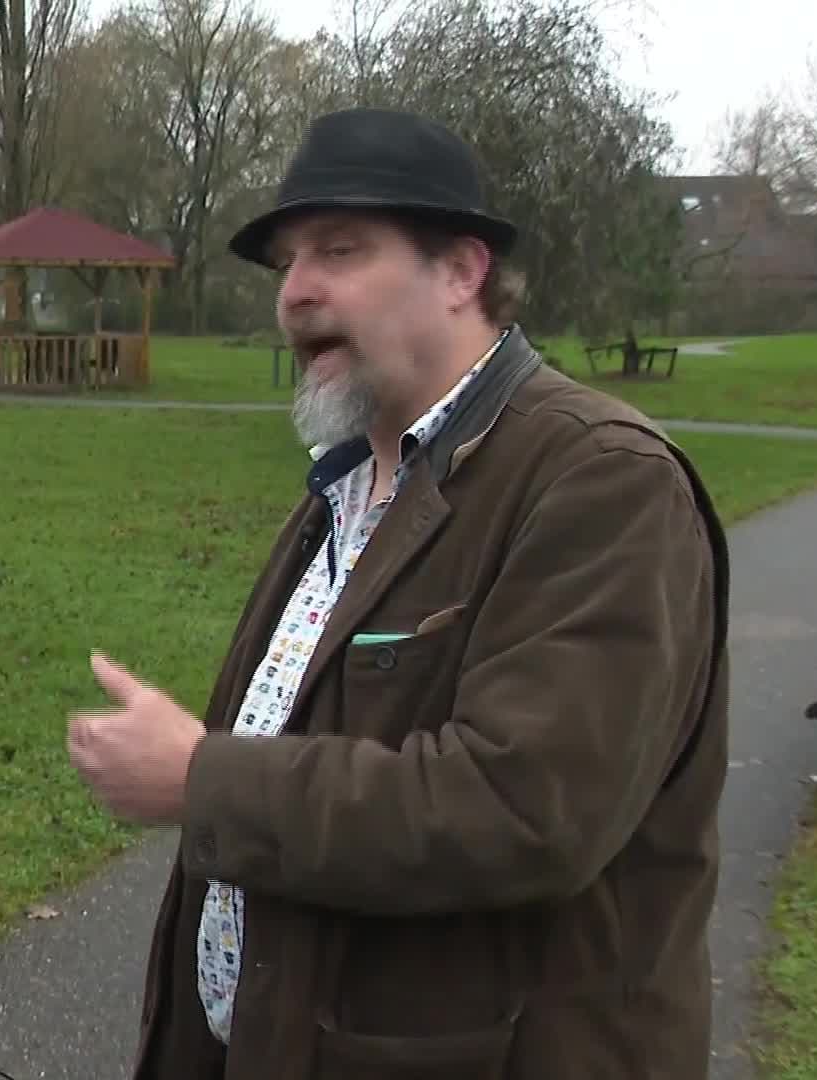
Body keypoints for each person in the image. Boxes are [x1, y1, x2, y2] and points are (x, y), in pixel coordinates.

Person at [66, 107, 731, 1079]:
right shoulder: (351, 483)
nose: (296, 292)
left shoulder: (600, 480)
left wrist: (200, 780)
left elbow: (524, 808)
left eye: (339, 250)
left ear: (462, 272)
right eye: (289, 262)